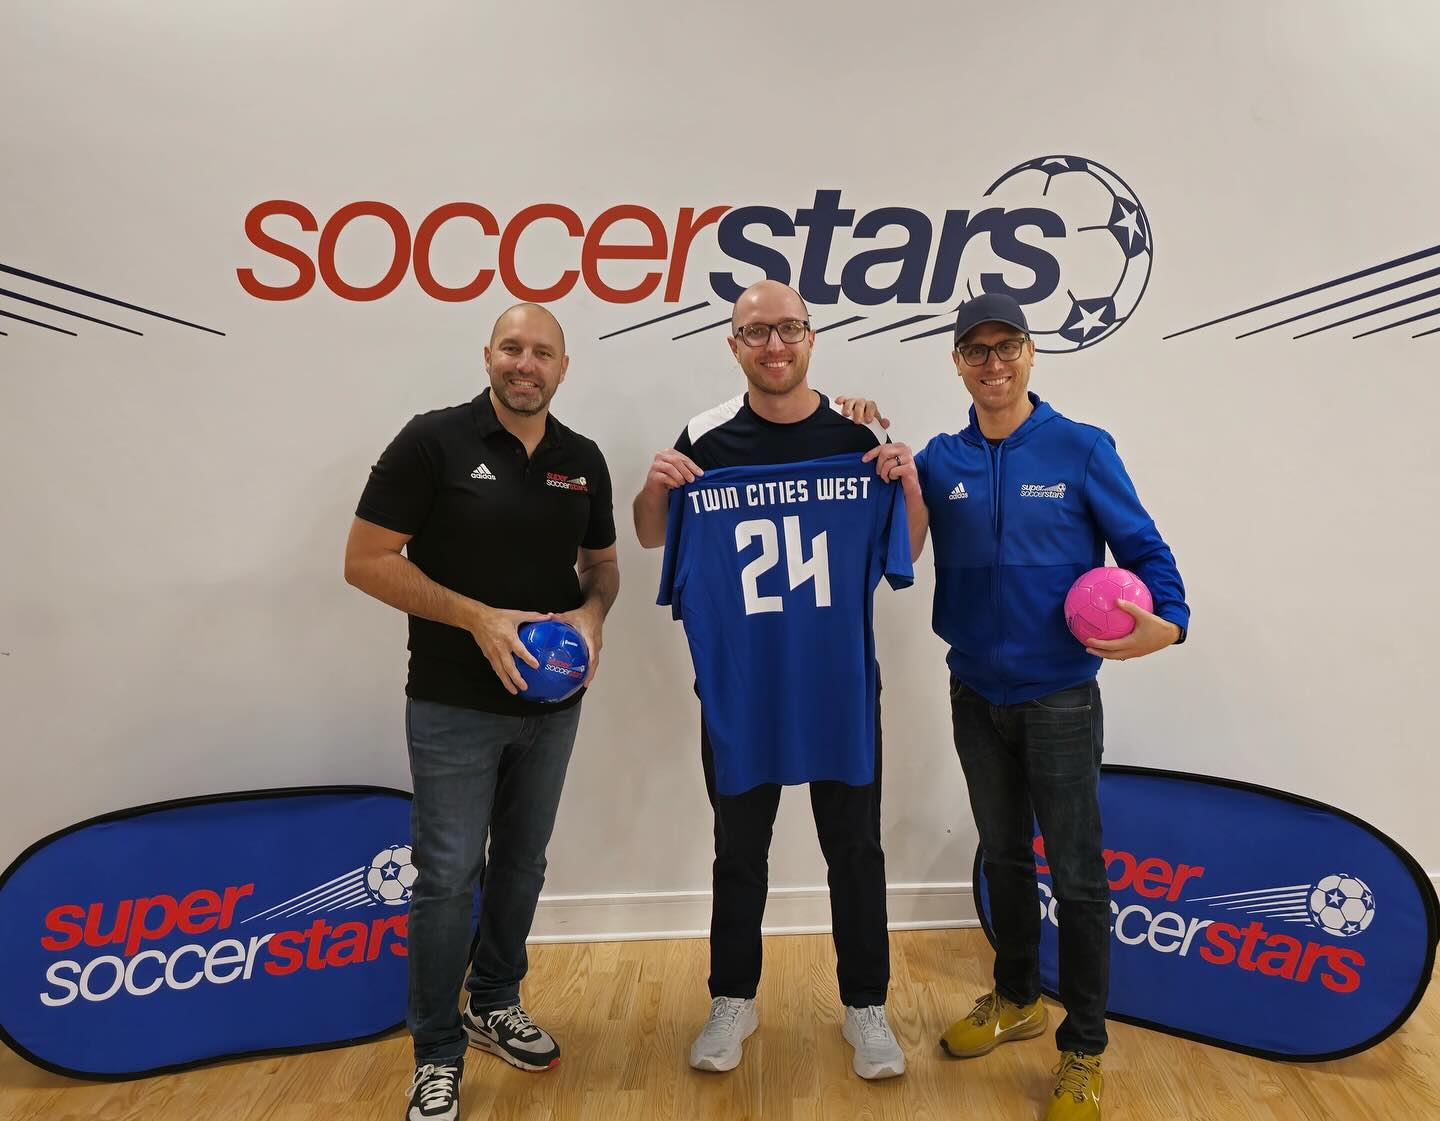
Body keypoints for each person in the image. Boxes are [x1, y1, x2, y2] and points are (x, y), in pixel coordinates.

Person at [895, 292, 1189, 1121]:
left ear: (1030, 353)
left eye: (1006, 346)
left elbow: (1146, 550)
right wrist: (878, 455)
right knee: (1004, 855)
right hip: (974, 692)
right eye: (975, 350)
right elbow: (896, 549)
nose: (992, 363)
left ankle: (1084, 1045)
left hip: (1060, 697)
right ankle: (1017, 995)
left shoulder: (1082, 448)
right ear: (957, 361)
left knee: (1078, 873)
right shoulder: (939, 462)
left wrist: (1170, 624)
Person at [344, 303, 619, 1121]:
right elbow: (364, 561)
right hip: (452, 703)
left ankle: (495, 999)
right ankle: (435, 1052)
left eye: (542, 351)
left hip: (554, 704)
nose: (525, 363)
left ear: (563, 367)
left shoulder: (582, 458)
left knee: (523, 861)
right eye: (512, 347)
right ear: (489, 356)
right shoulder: (433, 442)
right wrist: (477, 616)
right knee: (446, 876)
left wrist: (593, 616)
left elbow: (600, 565)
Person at [633, 279, 911, 1081]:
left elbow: (905, 553)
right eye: (756, 332)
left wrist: (905, 475)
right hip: (742, 686)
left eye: (788, 329)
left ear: (811, 336)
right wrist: (656, 485)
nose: (774, 345)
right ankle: (733, 997)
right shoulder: (708, 436)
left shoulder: (858, 431)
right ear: (734, 345)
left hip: (837, 684)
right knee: (738, 848)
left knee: (855, 847)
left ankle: (866, 1004)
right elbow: (657, 537)